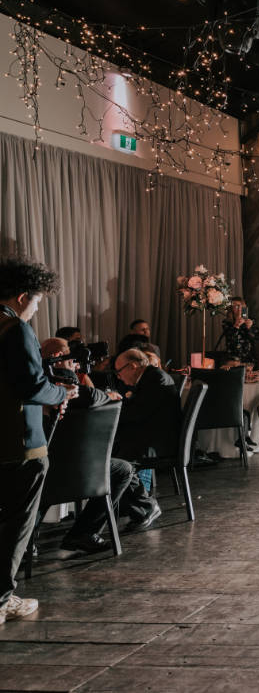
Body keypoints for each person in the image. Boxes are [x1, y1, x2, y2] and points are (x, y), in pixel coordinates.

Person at [1, 257, 76, 624]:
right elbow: (30, 386)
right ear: (20, 297)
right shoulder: (15, 328)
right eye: (36, 303)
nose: (34, 310)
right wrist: (59, 393)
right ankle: (1, 599)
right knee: (16, 525)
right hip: (18, 443)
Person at [39, 340, 158, 553]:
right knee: (123, 469)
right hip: (63, 469)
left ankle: (28, 538)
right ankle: (83, 533)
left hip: (40, 465)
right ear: (58, 357)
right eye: (72, 361)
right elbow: (88, 395)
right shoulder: (60, 382)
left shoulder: (35, 380)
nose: (76, 366)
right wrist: (108, 396)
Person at [110, 348, 175, 531]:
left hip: (156, 443)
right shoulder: (151, 377)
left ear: (133, 366)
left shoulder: (155, 378)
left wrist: (113, 406)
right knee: (111, 456)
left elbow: (137, 413)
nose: (119, 377)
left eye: (119, 371)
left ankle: (145, 506)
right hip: (150, 435)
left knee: (115, 463)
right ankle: (134, 507)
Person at [219, 297, 259, 367]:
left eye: (241, 305)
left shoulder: (250, 320)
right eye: (236, 306)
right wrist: (236, 325)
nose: (240, 308)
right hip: (233, 359)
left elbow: (257, 338)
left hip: (249, 358)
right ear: (231, 309)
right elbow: (231, 340)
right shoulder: (227, 323)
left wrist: (250, 328)